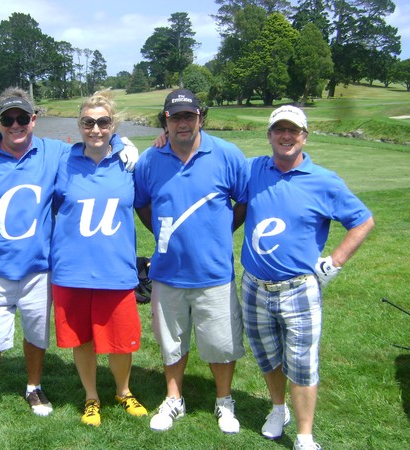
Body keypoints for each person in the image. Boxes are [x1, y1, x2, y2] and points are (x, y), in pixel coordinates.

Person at [0, 87, 138, 442]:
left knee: (36, 335)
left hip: (38, 267)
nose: (16, 124)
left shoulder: (55, 152)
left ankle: (33, 386)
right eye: (9, 119)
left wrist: (126, 143)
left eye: (23, 117)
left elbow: (96, 143)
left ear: (34, 120)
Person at [238, 105, 375, 450]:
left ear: (304, 136)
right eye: (279, 130)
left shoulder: (324, 180)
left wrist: (336, 261)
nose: (286, 136)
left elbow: (363, 221)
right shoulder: (253, 169)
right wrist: (165, 140)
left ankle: (303, 435)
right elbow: (211, 166)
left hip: (299, 288)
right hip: (254, 285)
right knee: (267, 357)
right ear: (269, 136)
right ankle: (277, 408)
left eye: (293, 131)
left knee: (301, 364)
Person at [134, 89, 248, 434]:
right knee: (171, 341)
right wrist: (163, 234)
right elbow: (142, 204)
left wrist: (219, 231)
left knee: (221, 343)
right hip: (168, 273)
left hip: (214, 272)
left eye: (189, 116)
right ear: (165, 121)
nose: (183, 123)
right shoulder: (149, 160)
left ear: (201, 117)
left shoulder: (226, 154)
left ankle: (224, 400)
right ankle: (174, 398)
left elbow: (242, 201)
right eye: (175, 117)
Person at [50, 90, 147, 427]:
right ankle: (91, 397)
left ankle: (123, 390)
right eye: (88, 122)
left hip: (115, 268)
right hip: (72, 269)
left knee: (121, 339)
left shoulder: (129, 163)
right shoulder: (63, 161)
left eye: (103, 122)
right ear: (79, 125)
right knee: (83, 338)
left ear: (113, 125)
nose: (95, 129)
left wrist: (129, 144)